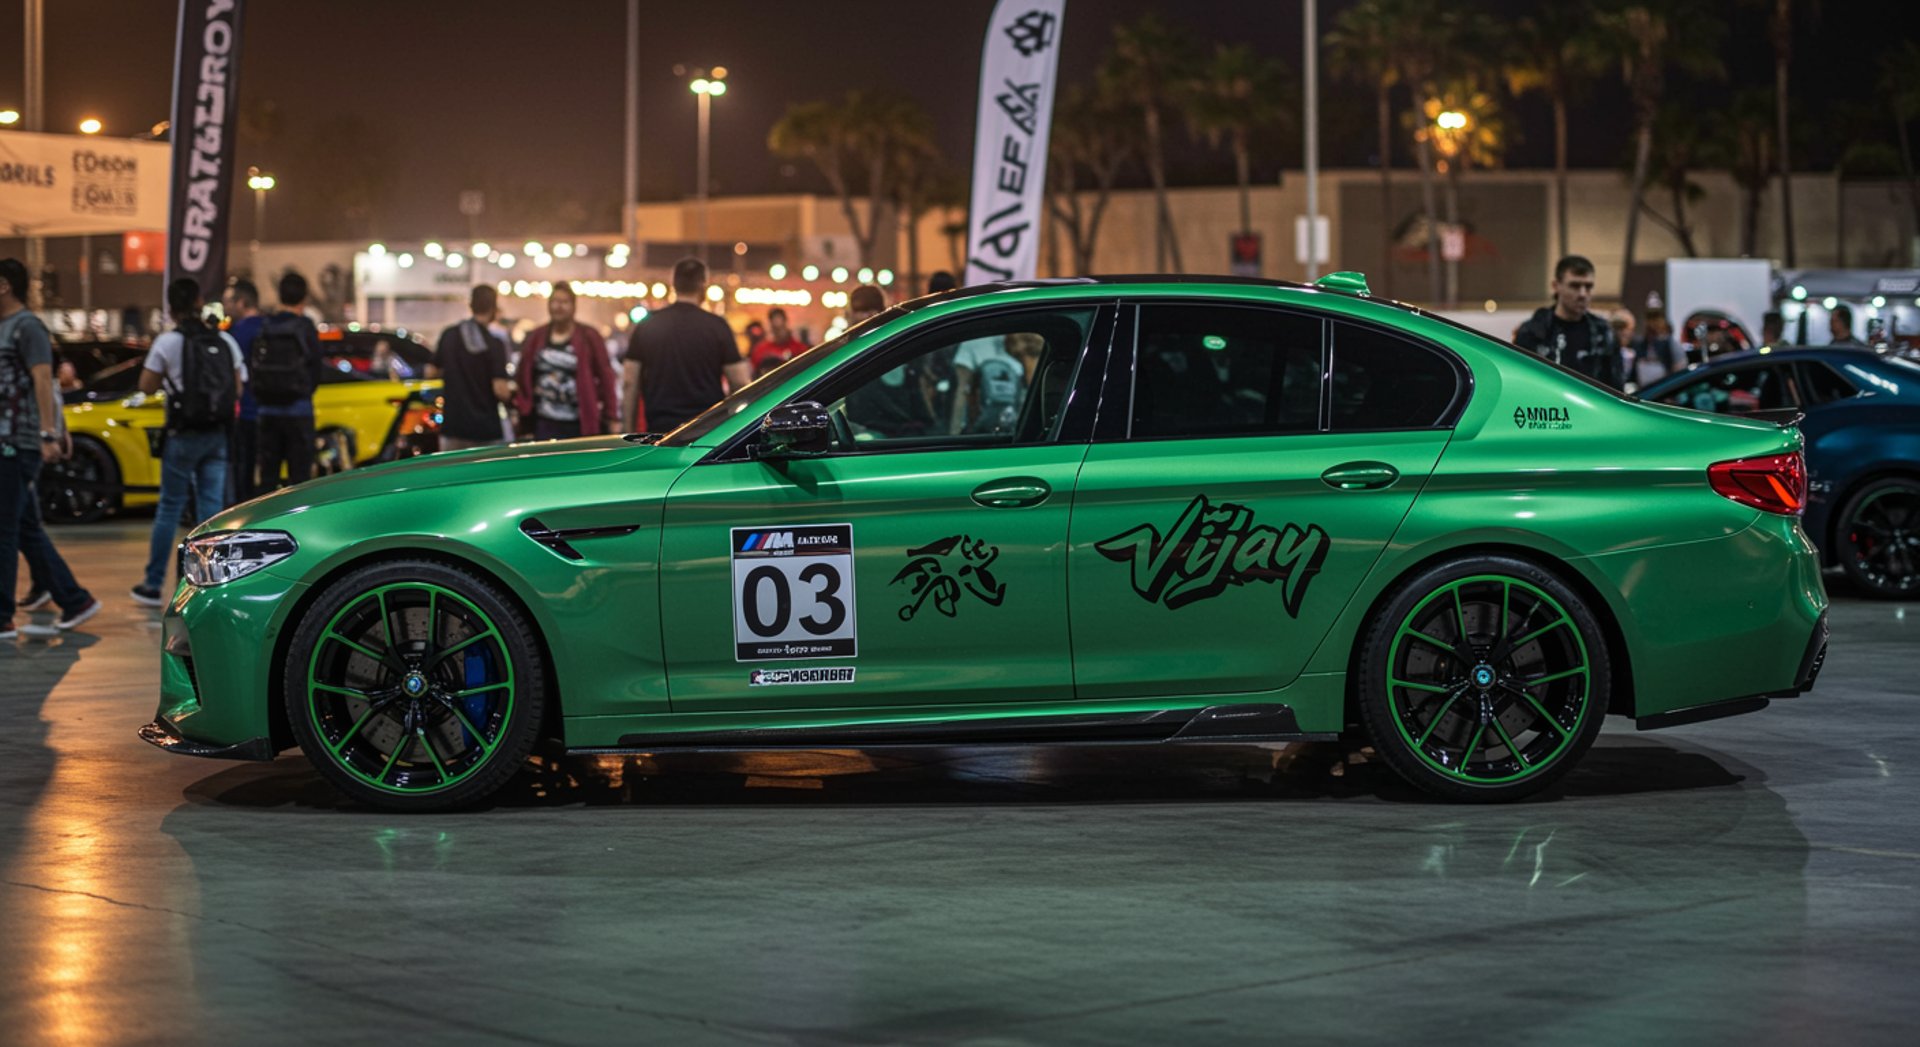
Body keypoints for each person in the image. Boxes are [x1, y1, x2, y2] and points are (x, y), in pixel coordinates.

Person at [131, 278, 246, 607]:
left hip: (183, 434)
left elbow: (147, 385)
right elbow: (238, 389)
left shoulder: (168, 342)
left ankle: (153, 585)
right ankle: (207, 582)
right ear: (199, 301)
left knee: (169, 507)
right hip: (218, 435)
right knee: (211, 511)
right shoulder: (224, 340)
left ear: (171, 306)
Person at [0, 258, 99, 637]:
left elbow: (45, 382)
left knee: (6, 530)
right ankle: (75, 600)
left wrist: (47, 434)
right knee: (24, 529)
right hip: (8, 440)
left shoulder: (27, 327)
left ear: (5, 285)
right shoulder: (6, 327)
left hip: (18, 441)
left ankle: (3, 617)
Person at [621, 258, 749, 433]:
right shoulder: (717, 326)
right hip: (707, 430)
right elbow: (739, 382)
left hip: (660, 430)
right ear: (703, 285)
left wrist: (628, 431)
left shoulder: (647, 326)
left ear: (673, 284)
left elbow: (630, 383)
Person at [514, 282, 618, 440]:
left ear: (574, 306)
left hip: (579, 423)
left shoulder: (589, 336)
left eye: (564, 302)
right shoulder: (536, 336)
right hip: (542, 422)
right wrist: (522, 409)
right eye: (554, 301)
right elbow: (523, 375)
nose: (559, 307)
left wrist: (611, 415)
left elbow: (606, 376)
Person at [253, 272, 324, 491]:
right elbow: (316, 368)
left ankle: (264, 520)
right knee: (300, 478)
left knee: (268, 476)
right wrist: (303, 391)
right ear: (304, 297)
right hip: (298, 410)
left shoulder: (265, 325)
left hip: (267, 410)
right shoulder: (304, 326)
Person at [1514, 255, 1623, 388]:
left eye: (1588, 287)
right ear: (1556, 286)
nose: (1583, 294)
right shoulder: (1533, 332)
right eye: (1575, 286)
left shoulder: (1604, 333)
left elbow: (1617, 388)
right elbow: (1521, 384)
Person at [428, 285, 515, 450]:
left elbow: (431, 371)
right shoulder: (495, 344)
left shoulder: (449, 335)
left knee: (453, 475)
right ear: (493, 308)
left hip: (453, 427)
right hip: (485, 431)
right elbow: (500, 390)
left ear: (471, 305)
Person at [221, 278, 265, 503]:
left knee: (243, 471)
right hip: (272, 409)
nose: (225, 307)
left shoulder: (236, 333)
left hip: (245, 411)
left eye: (228, 301)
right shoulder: (270, 327)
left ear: (242, 302)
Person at [1629, 312, 1686, 390]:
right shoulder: (1639, 344)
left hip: (1664, 389)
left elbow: (1679, 367)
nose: (1652, 324)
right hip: (1642, 389)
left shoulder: (1669, 343)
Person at [747, 307, 807, 378]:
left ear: (786, 323)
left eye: (781, 328)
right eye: (776, 329)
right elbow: (755, 374)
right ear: (771, 327)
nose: (779, 331)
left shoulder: (799, 348)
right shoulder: (761, 350)